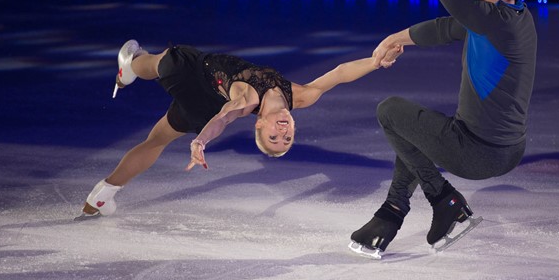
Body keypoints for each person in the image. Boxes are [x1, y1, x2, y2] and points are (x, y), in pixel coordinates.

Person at [349, 0, 536, 256]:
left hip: (478, 151)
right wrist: (395, 38)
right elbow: (447, 27)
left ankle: (445, 200)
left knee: (390, 111)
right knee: (414, 131)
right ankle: (391, 213)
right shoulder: (512, 16)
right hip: (506, 149)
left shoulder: (491, 20)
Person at [78, 39, 398, 219]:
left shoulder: (247, 100)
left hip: (193, 76)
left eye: (273, 137)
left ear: (259, 123)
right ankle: (103, 195)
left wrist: (201, 141)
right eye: (287, 138)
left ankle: (129, 67)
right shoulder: (302, 96)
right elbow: (339, 73)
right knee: (156, 140)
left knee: (167, 62)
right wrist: (377, 62)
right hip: (204, 105)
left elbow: (224, 117)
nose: (282, 132)